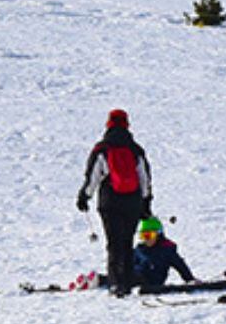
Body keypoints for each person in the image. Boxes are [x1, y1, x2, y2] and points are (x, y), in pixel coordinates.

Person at [75, 109, 152, 296]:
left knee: (114, 242)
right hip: (132, 201)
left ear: (108, 124)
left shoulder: (102, 149)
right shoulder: (136, 149)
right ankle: (128, 280)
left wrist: (84, 197)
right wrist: (146, 203)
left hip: (110, 201)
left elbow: (93, 176)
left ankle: (116, 283)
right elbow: (145, 179)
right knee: (127, 241)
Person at [132, 216, 195, 289]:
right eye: (143, 236)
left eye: (149, 235)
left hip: (153, 281)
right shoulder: (139, 250)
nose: (147, 239)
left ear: (158, 235)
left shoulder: (166, 250)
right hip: (135, 278)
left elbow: (180, 265)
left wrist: (190, 279)